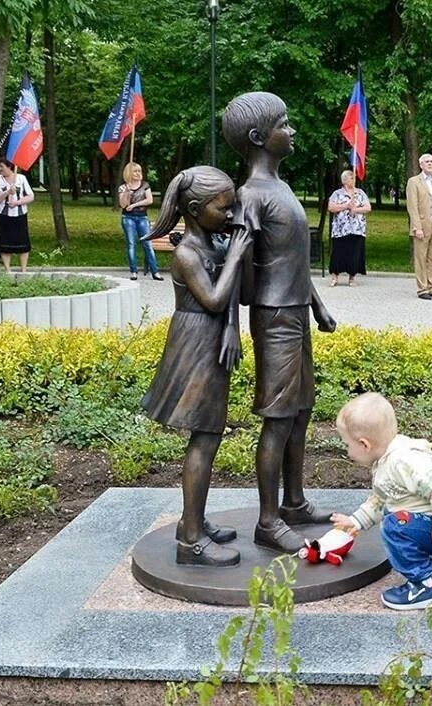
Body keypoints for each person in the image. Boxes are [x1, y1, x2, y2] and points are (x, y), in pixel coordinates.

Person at [222, 91, 338, 553]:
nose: (292, 131)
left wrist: (316, 303)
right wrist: (230, 325)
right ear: (258, 137)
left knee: (301, 410)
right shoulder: (249, 196)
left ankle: (293, 502)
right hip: (272, 318)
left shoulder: (282, 188)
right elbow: (235, 265)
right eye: (283, 124)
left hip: (294, 312)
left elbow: (291, 260)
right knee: (277, 417)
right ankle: (268, 521)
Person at [142, 166, 253, 566]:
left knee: (210, 435)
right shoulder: (188, 253)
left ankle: (193, 521)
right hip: (194, 344)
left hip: (210, 339)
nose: (230, 215)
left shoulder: (211, 244)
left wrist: (233, 330)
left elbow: (233, 299)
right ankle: (191, 540)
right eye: (223, 209)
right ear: (193, 208)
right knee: (204, 437)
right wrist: (237, 255)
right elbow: (215, 299)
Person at [330, 393, 432, 611]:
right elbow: (381, 499)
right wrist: (356, 521)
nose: (347, 451)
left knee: (395, 524)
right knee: (398, 510)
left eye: (347, 445)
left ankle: (423, 587)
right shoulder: (387, 458)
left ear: (364, 444)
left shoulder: (404, 461)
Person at [406, 153, 432, 300]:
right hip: (422, 224)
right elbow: (412, 206)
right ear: (421, 164)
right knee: (421, 257)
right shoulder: (414, 181)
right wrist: (417, 227)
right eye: (427, 162)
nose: (430, 164)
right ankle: (422, 289)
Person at [118, 162, 163, 281]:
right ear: (129, 173)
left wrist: (134, 205)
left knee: (147, 244)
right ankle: (133, 271)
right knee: (131, 244)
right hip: (128, 218)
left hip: (142, 217)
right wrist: (127, 193)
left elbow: (149, 200)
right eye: (135, 171)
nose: (138, 173)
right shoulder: (123, 187)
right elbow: (123, 205)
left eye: (139, 171)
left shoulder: (145, 185)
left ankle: (155, 271)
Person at [327, 169, 370, 287]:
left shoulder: (360, 193)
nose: (354, 180)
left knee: (354, 253)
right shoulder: (337, 194)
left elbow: (368, 207)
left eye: (354, 178)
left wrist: (355, 209)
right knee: (338, 253)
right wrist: (346, 206)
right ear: (345, 180)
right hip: (340, 229)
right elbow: (331, 207)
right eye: (352, 178)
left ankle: (352, 278)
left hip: (357, 229)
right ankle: (335, 277)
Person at [0, 159, 34, 273]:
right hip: (3, 215)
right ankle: (8, 270)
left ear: (9, 167)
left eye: (1, 166)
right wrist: (7, 192)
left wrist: (17, 202)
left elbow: (31, 196)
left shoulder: (21, 178)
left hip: (20, 215)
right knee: (4, 243)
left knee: (23, 242)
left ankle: (23, 270)